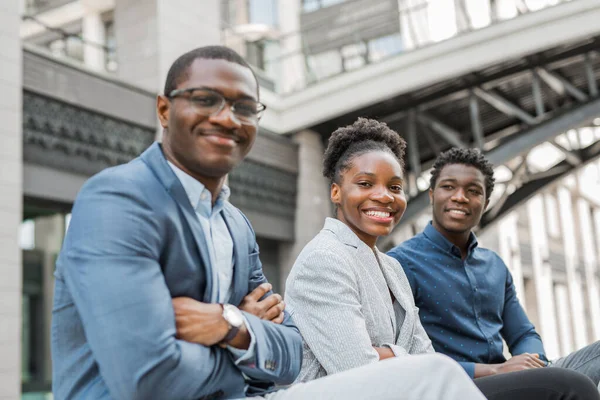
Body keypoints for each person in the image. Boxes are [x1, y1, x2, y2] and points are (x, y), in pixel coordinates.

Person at [51, 46, 485, 400]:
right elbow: (148, 378)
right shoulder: (119, 200)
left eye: (243, 106)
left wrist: (227, 325)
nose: (226, 117)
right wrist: (245, 333)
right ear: (164, 110)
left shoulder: (236, 225)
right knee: (435, 378)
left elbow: (291, 354)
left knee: (439, 375)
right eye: (205, 100)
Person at [285, 119, 600, 400]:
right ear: (336, 192)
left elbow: (424, 356)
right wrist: (400, 357)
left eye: (394, 187)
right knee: (571, 388)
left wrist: (389, 355)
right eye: (366, 184)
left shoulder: (389, 268)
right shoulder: (325, 260)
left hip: (426, 385)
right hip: (398, 392)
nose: (384, 196)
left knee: (570, 379)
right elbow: (361, 372)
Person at [387, 147, 600, 386]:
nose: (460, 197)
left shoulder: (494, 265)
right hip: (459, 385)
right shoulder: (400, 263)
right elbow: (403, 355)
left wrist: (532, 363)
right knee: (574, 387)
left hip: (513, 377)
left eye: (473, 191)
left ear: (486, 202)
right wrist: (496, 370)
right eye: (448, 187)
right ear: (432, 195)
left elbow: (523, 334)